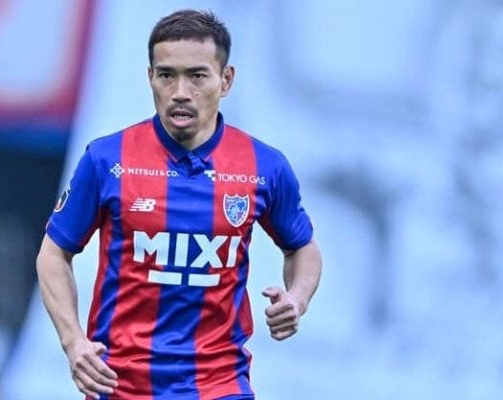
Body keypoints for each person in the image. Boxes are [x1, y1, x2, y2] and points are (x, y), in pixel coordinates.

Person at [36, 9, 323, 399]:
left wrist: (297, 299)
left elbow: (302, 246)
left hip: (219, 383)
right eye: (167, 75)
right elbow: (54, 253)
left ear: (226, 80)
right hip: (121, 385)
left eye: (197, 76)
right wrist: (74, 342)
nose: (180, 92)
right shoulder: (107, 159)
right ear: (150, 77)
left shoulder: (264, 166)